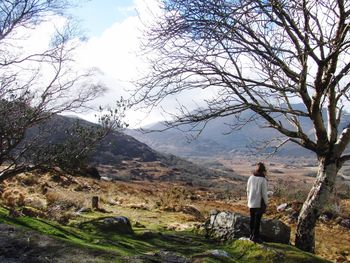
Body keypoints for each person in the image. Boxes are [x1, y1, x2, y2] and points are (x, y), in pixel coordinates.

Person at [247, 162, 268, 243]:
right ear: (263, 171)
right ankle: (255, 237)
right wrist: (266, 202)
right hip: (259, 203)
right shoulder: (263, 179)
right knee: (257, 220)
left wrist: (248, 200)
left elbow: (248, 190)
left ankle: (251, 235)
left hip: (251, 201)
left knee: (252, 219)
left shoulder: (251, 177)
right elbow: (264, 193)